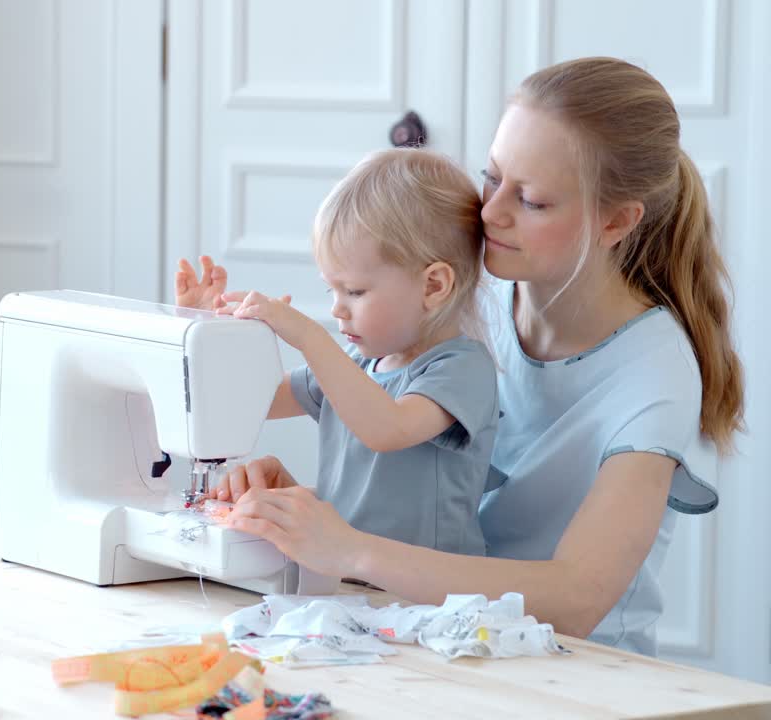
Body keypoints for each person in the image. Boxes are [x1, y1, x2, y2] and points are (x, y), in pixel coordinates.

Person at [181, 57, 743, 657]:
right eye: (492, 177)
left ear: (616, 222)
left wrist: (348, 548)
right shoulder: (473, 305)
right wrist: (309, 509)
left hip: (578, 672)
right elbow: (435, 500)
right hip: (441, 637)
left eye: (530, 200)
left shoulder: (652, 375)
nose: (492, 212)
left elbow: (577, 600)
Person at [178, 147, 497, 556]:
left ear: (433, 286)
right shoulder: (356, 365)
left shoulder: (462, 369)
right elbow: (249, 402)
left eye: (355, 291)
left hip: (427, 594)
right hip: (350, 579)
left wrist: (310, 337)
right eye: (333, 290)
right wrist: (207, 331)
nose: (336, 308)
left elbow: (387, 429)